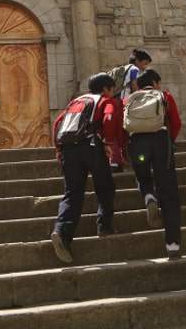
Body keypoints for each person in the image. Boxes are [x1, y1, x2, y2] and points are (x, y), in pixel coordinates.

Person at [50, 73, 121, 264]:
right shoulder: (105, 100)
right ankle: (104, 226)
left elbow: (57, 124)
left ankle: (61, 232)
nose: (112, 92)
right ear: (106, 88)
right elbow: (108, 118)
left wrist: (58, 149)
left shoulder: (75, 102)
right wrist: (109, 141)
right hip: (91, 147)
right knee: (105, 187)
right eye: (112, 89)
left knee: (72, 193)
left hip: (68, 150)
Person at [124, 68, 183, 259]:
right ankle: (172, 243)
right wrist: (169, 140)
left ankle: (148, 195)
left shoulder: (129, 99)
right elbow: (176, 122)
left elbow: (123, 125)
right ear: (156, 83)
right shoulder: (164, 96)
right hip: (160, 141)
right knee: (168, 190)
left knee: (142, 175)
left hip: (138, 144)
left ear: (137, 85)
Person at [105, 48, 152, 171]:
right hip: (123, 103)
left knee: (115, 133)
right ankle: (123, 159)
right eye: (144, 63)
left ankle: (115, 161)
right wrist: (141, 98)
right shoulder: (134, 69)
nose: (144, 67)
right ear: (137, 61)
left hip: (114, 102)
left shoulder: (122, 69)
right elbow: (134, 85)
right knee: (124, 131)